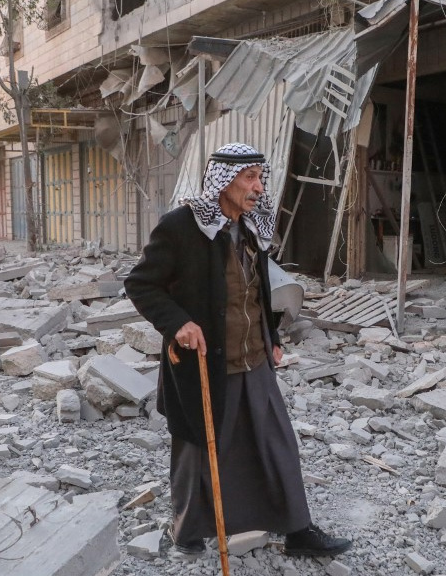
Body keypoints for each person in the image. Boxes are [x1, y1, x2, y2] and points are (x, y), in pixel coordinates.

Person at [123, 143, 352, 558]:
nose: (259, 188)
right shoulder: (180, 227)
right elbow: (140, 284)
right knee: (197, 447)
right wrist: (178, 323)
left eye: (260, 178)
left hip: (254, 357)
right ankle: (188, 531)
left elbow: (256, 291)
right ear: (223, 181)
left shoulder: (250, 227)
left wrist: (274, 339)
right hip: (203, 361)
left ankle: (297, 530)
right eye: (250, 178)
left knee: (276, 442)